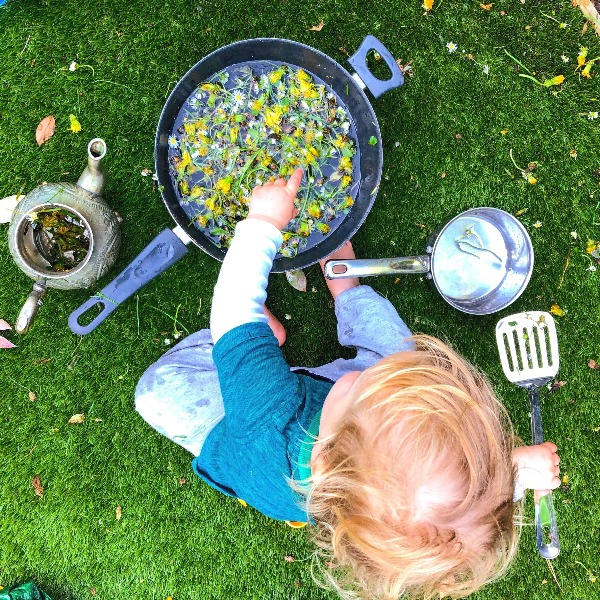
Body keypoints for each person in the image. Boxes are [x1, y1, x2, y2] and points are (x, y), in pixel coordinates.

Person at [135, 168, 561, 599]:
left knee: (156, 392)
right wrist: (513, 468)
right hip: (330, 429)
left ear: (324, 460)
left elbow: (232, 313)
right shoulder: (383, 492)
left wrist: (263, 225)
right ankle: (346, 283)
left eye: (363, 389)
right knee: (401, 357)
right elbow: (454, 506)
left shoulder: (268, 420)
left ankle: (268, 340)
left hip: (245, 439)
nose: (366, 377)